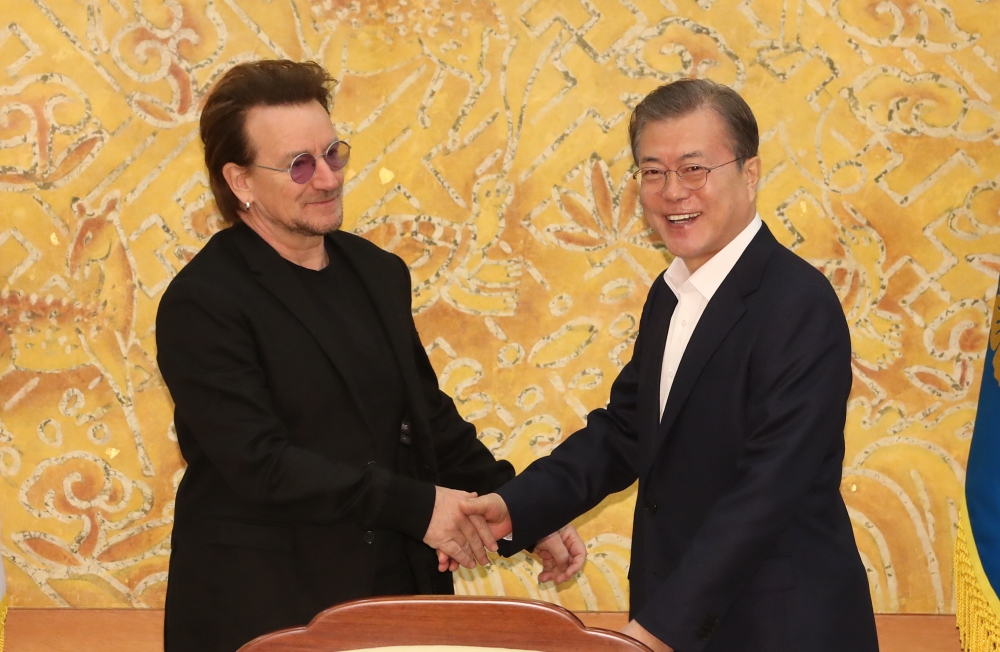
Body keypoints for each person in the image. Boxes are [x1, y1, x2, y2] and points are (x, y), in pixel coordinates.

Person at [155, 59, 583, 652]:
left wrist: (521, 509)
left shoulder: (377, 273)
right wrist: (419, 508)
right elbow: (261, 464)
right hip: (268, 607)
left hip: (395, 596)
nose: (326, 178)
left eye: (333, 154)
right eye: (299, 165)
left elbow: (427, 419)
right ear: (241, 181)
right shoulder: (203, 301)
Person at [461, 79, 879, 652]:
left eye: (693, 169)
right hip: (682, 616)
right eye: (653, 172)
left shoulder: (798, 304)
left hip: (777, 628)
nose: (672, 192)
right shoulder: (671, 292)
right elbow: (626, 430)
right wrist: (516, 506)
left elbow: (766, 493)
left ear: (750, 174)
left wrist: (657, 630)